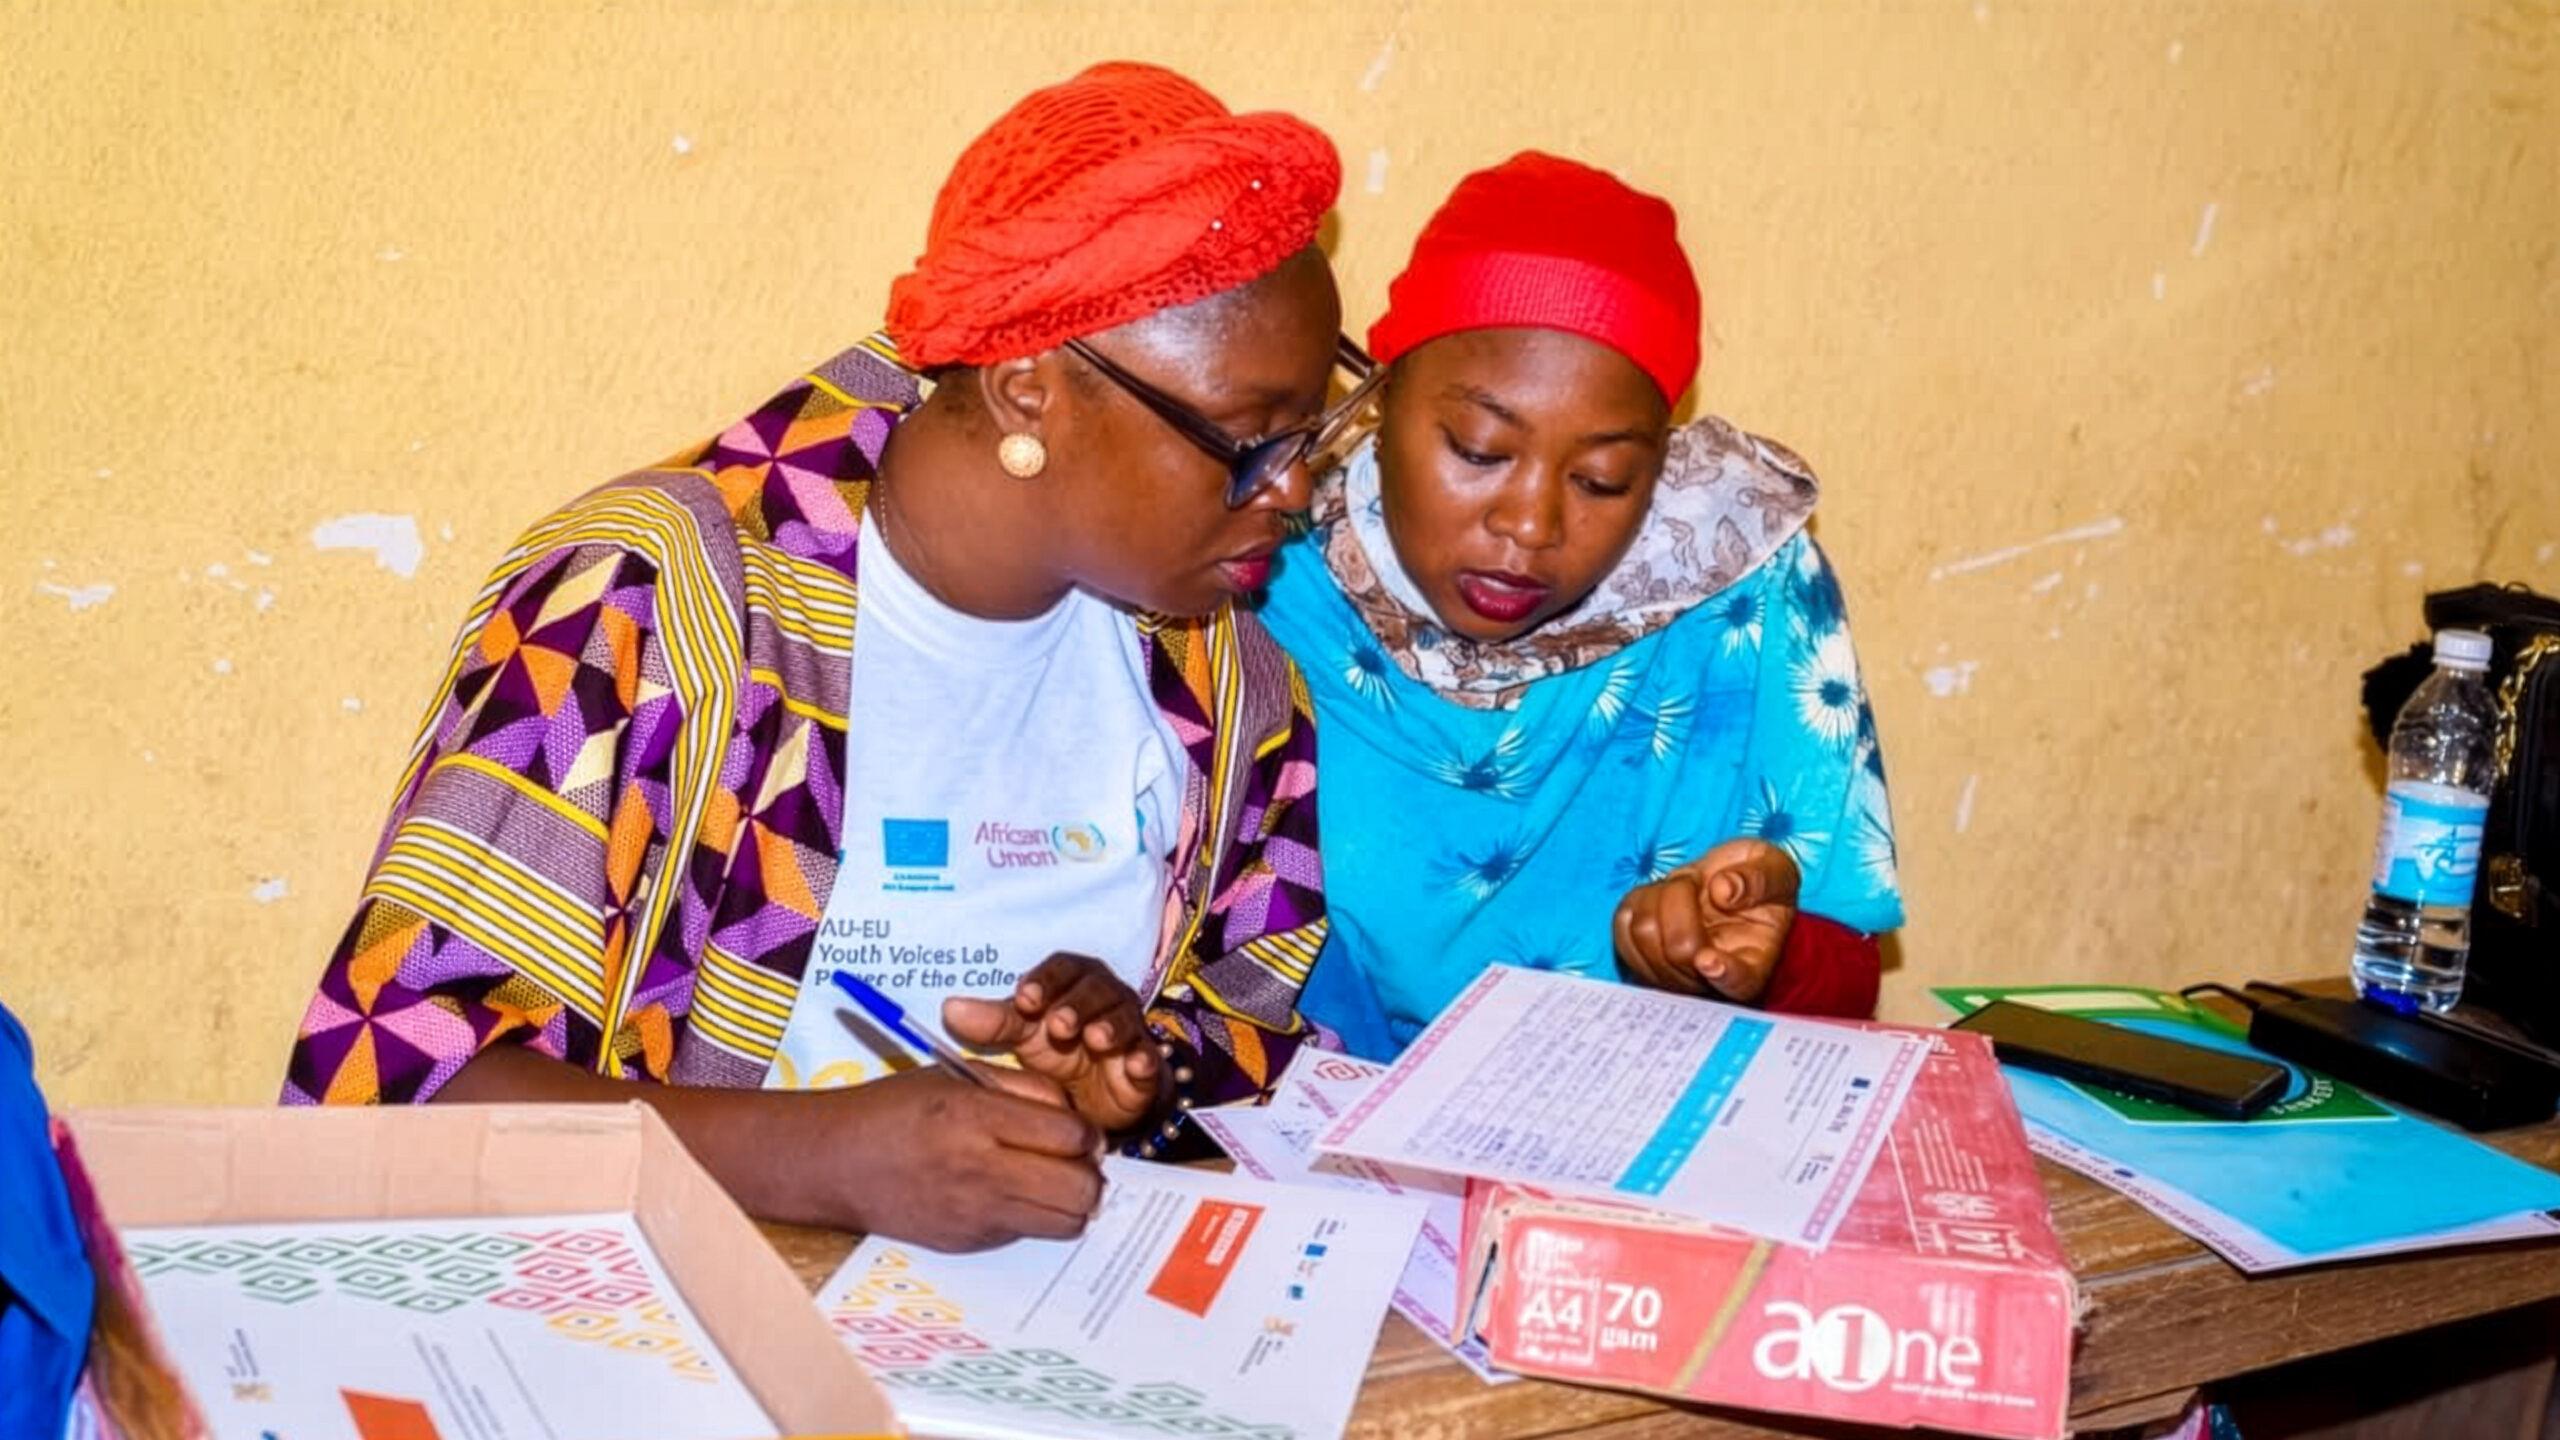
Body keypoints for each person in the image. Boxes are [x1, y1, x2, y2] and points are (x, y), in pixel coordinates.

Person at [283, 62, 1365, 1251]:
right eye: (1252, 442)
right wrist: (827, 1156)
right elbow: (389, 1083)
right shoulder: (651, 605)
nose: (1296, 490)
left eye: (1308, 435)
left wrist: (1129, 1089)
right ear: (1026, 392)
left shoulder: (1226, 685)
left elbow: (1240, 1052)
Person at [1258, 152, 1904, 1061]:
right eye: (1478, 450)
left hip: (1624, 1143)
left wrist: (1763, 951)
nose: (1530, 524)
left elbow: (1847, 978)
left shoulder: (1737, 589)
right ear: (1379, 400)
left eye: (1604, 479)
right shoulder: (1266, 570)